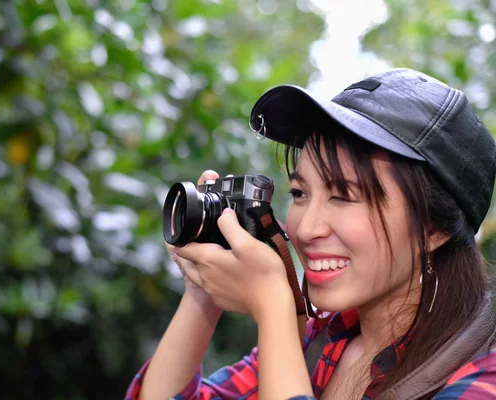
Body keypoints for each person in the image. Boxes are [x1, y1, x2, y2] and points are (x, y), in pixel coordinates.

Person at [125, 68, 496, 399]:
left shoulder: (480, 376)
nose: (307, 228)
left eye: (345, 196)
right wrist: (202, 294)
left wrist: (273, 307)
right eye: (300, 194)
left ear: (434, 229)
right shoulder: (319, 342)